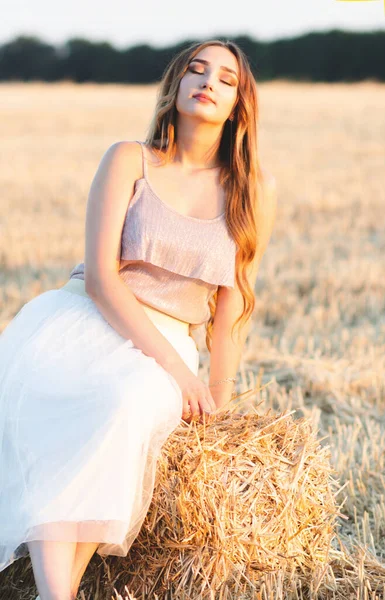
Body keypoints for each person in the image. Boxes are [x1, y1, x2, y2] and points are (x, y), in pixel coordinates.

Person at [0, 39, 277, 599]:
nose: (208, 82)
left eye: (226, 79)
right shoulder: (129, 158)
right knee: (69, 408)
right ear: (175, 88)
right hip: (85, 318)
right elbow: (103, 279)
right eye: (196, 71)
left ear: (238, 104)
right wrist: (181, 372)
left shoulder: (252, 191)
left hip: (169, 341)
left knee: (125, 403)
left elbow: (228, 317)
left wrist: (218, 404)